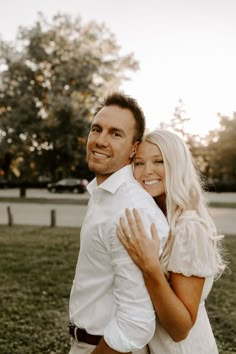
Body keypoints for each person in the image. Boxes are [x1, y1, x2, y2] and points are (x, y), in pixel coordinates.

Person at [69, 93, 169, 354]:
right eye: (96, 129)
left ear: (134, 148)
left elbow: (135, 322)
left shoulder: (130, 210)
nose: (100, 140)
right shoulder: (104, 195)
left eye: (116, 134)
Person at [117, 129, 226, 354]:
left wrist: (151, 270)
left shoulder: (189, 227)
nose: (147, 171)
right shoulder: (155, 219)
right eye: (139, 163)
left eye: (159, 161)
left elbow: (180, 329)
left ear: (177, 164)